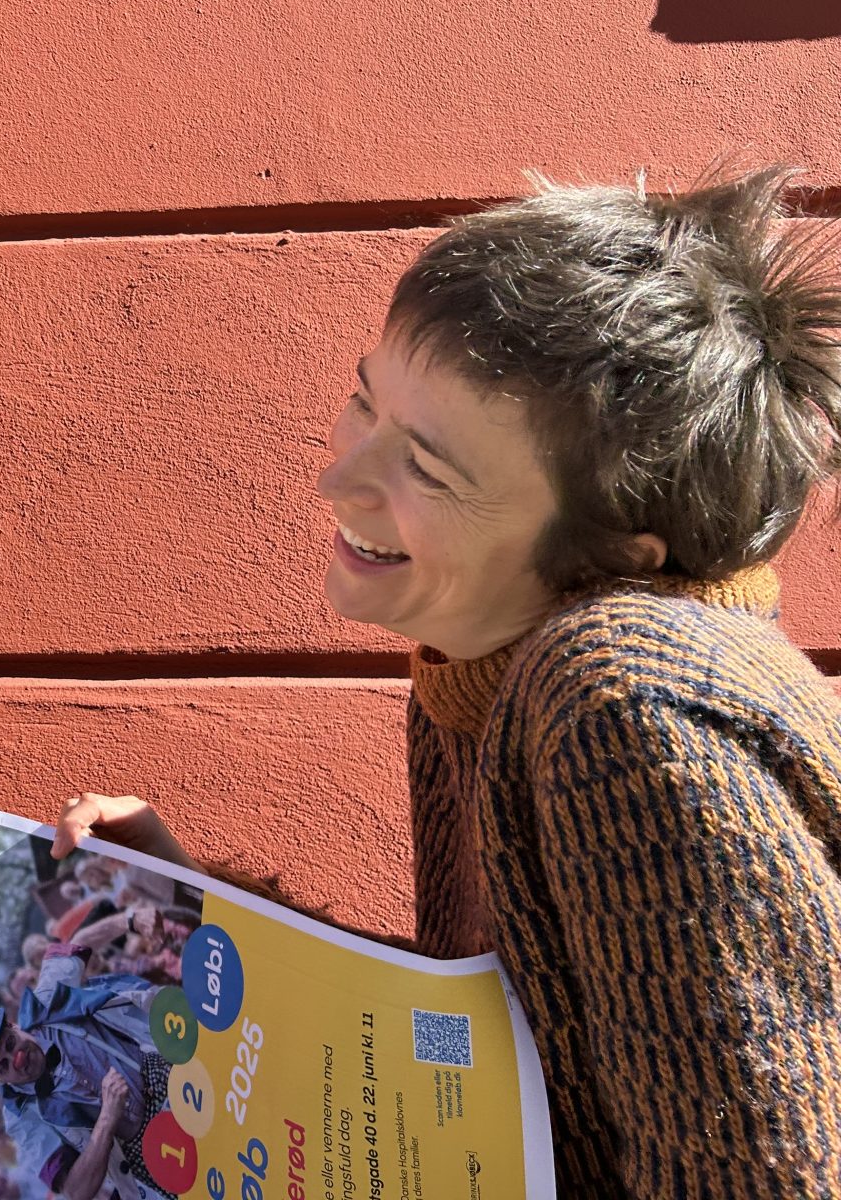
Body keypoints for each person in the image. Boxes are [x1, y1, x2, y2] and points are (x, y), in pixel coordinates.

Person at [56, 170, 841, 1197]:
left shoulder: (621, 701)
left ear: (613, 554)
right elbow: (502, 1036)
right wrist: (209, 913)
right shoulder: (487, 655)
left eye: (428, 470)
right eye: (362, 403)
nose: (338, 482)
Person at [0, 912, 172, 1200]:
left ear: (12, 1025)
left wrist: (131, 921)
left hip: (169, 1071)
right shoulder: (21, 1120)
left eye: (9, 1043)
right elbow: (74, 1189)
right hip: (152, 1155)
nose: (17, 1056)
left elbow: (79, 943)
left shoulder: (47, 1002)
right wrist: (106, 1120)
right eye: (4, 1065)